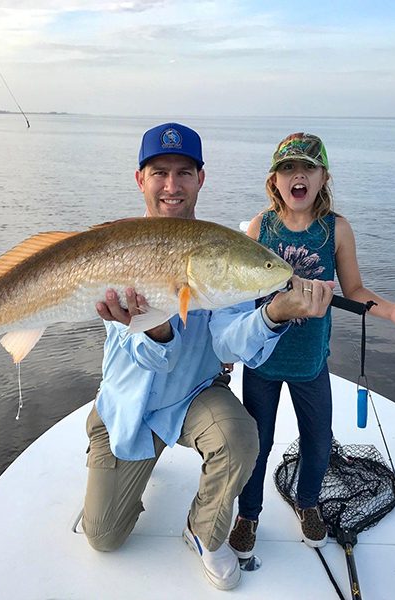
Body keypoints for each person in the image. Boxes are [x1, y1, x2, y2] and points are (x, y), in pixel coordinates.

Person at [81, 123, 335, 591]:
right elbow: (144, 359)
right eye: (160, 173)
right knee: (103, 536)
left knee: (241, 438)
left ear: (202, 179)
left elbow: (228, 343)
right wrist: (154, 329)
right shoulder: (118, 247)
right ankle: (115, 478)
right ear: (141, 179)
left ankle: (203, 532)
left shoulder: (219, 251)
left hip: (193, 396)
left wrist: (274, 312)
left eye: (184, 173)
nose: (172, 186)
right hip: (129, 404)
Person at [228, 132, 395, 558]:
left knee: (318, 441)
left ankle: (308, 504)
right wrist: (226, 353)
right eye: (288, 168)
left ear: (323, 176)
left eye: (308, 167)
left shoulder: (336, 229)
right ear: (275, 180)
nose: (298, 175)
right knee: (258, 441)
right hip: (263, 360)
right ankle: (248, 514)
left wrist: (393, 311)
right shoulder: (260, 226)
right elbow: (241, 297)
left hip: (310, 362)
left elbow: (356, 290)